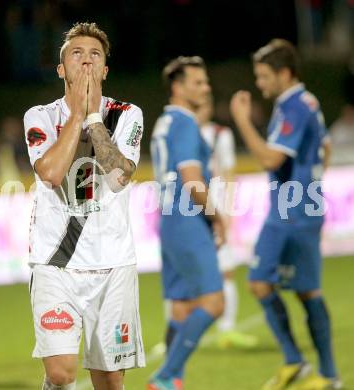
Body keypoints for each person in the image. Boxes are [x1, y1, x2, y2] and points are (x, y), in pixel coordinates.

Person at [23, 22, 145, 390]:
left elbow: (120, 176)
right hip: (55, 263)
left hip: (113, 265)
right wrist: (77, 114)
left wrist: (94, 117)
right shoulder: (40, 116)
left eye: (95, 55)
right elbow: (51, 174)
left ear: (106, 70)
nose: (87, 62)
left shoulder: (127, 114)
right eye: (77, 54)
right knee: (61, 373)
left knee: (109, 381)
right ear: (62, 69)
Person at [230, 39, 341, 390]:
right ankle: (309, 366)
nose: (260, 84)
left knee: (286, 287)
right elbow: (325, 147)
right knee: (275, 285)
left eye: (264, 76)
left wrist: (241, 120)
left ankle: (315, 370)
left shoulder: (294, 106)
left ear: (284, 72)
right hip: (296, 208)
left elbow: (270, 159)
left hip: (292, 213)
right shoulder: (303, 103)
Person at [149, 56, 225, 390]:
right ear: (178, 88)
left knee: (181, 307)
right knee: (213, 303)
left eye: (206, 82)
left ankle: (172, 380)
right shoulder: (185, 123)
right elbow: (192, 179)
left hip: (168, 221)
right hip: (188, 220)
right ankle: (165, 375)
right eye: (198, 82)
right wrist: (217, 217)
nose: (205, 88)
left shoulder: (164, 122)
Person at [197, 95, 258, 349]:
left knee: (226, 271)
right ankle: (174, 334)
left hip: (215, 210)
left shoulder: (220, 134)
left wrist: (228, 213)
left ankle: (227, 329)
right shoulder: (177, 130)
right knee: (179, 274)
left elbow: (229, 174)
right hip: (184, 212)